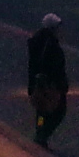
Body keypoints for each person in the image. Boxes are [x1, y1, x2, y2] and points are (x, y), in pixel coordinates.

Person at [25, 14, 69, 146]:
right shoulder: (49, 45)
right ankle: (43, 134)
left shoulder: (37, 42)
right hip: (50, 85)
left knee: (41, 113)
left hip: (37, 84)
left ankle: (40, 132)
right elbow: (54, 67)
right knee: (59, 112)